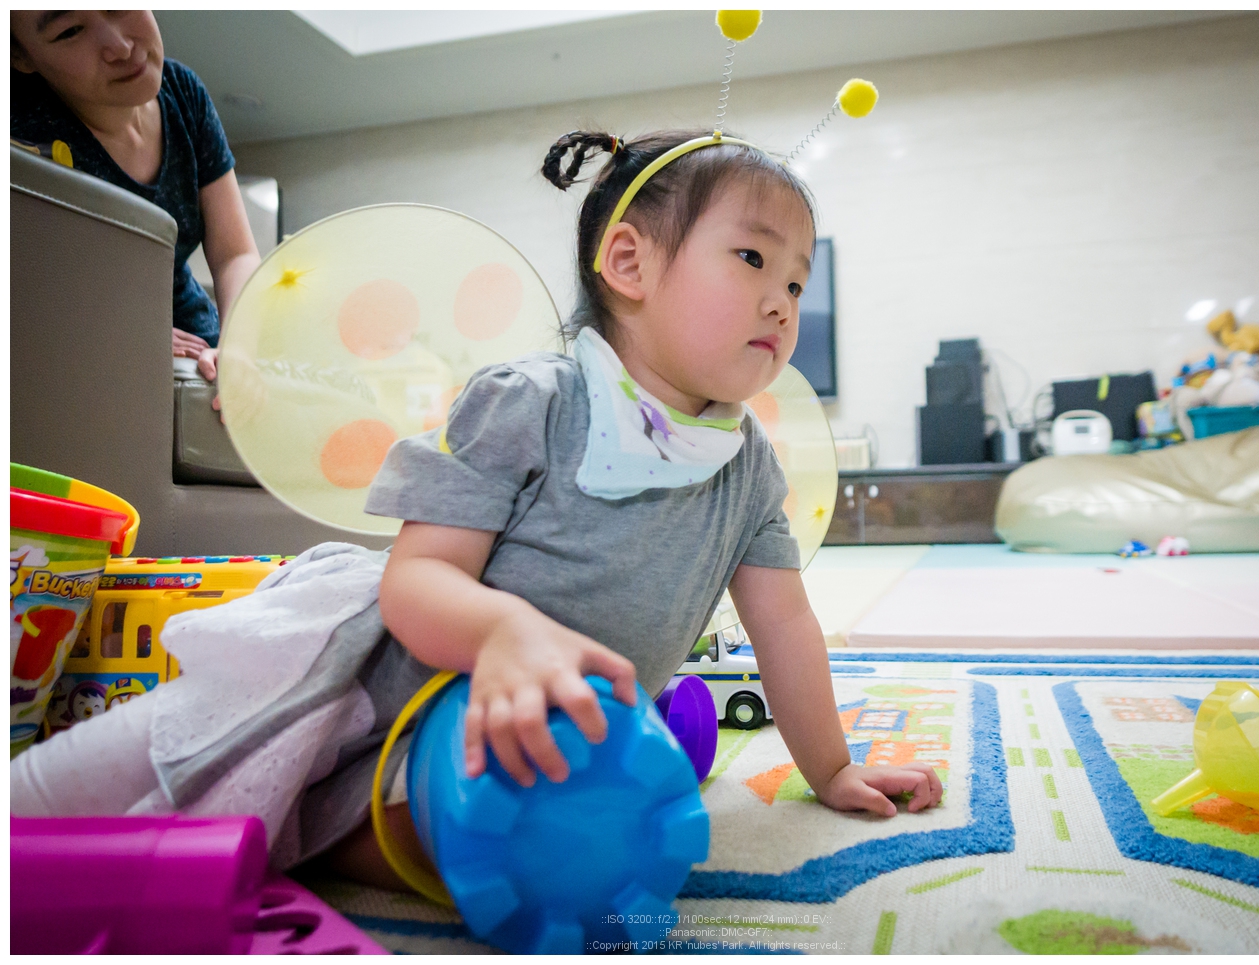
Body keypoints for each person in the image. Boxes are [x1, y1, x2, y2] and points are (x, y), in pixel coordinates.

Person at [10, 127, 942, 895]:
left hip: (498, 728)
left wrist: (831, 767)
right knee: (170, 753)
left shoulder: (747, 464)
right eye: (753, 259)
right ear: (629, 262)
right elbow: (417, 580)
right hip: (364, 676)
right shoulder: (532, 401)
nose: (782, 304)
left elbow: (785, 624)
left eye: (796, 283)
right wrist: (504, 633)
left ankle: (328, 834)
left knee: (537, 847)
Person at [10, 10, 259, 390]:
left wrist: (238, 344)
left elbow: (234, 254)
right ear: (21, 56)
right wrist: (124, 330)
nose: (121, 47)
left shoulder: (184, 94)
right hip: (84, 355)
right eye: (71, 31)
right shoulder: (20, 131)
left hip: (196, 345)